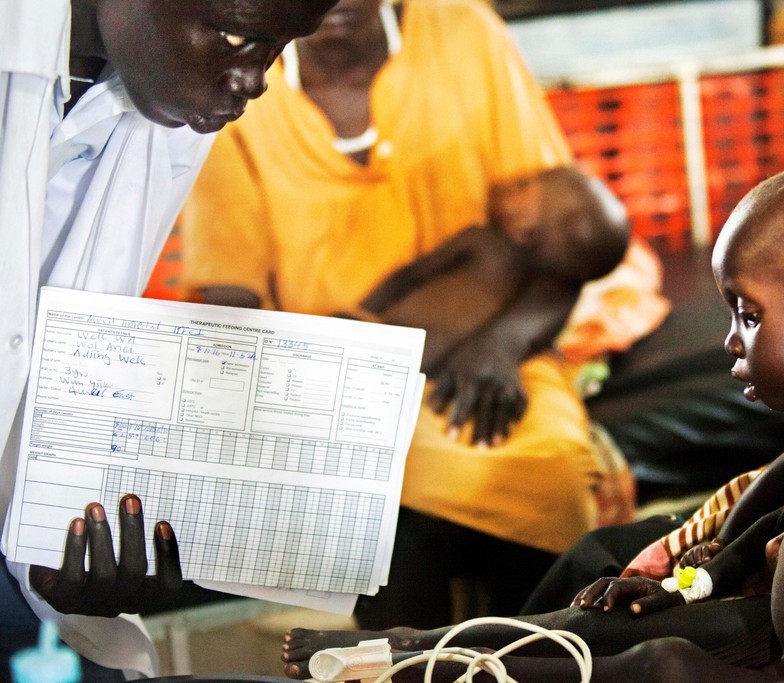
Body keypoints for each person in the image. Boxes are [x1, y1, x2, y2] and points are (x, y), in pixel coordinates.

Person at [280, 156, 784, 680]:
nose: (731, 339)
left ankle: (416, 663)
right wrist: (687, 575)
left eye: (749, 314)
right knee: (607, 614)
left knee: (663, 663)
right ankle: (412, 645)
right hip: (775, 629)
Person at [178, 0, 631, 630]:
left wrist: (499, 346)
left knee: (547, 464)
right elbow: (230, 301)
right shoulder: (235, 81)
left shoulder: (463, 32)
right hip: (330, 378)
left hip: (497, 358)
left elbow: (562, 247)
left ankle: (539, 662)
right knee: (376, 504)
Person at [0, 0, 339, 677]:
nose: (253, 81)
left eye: (278, 46)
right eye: (239, 37)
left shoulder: (167, 85)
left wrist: (60, 539)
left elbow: (41, 347)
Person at [356, 165, 629, 375]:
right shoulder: (534, 305)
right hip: (419, 370)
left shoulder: (480, 243)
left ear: (523, 232)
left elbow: (409, 275)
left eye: (522, 185)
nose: (509, 182)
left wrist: (365, 312)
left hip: (382, 343)